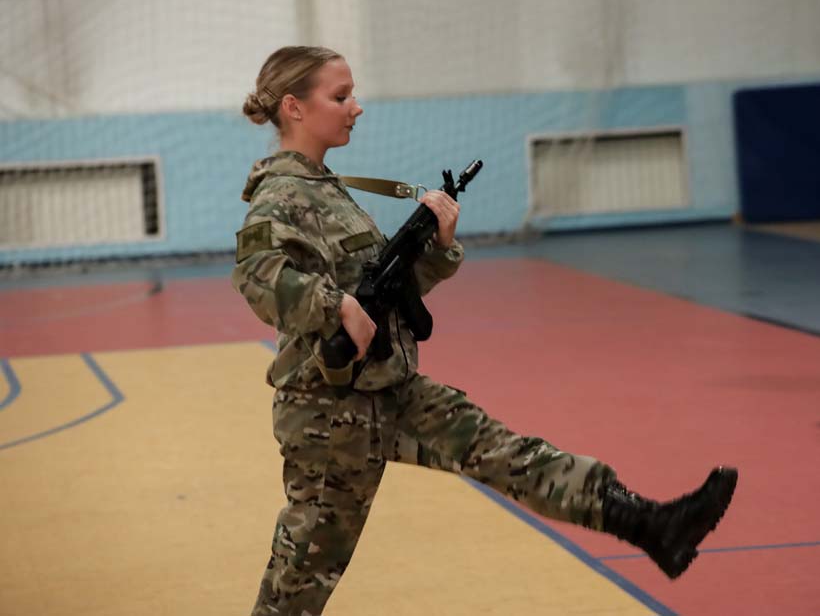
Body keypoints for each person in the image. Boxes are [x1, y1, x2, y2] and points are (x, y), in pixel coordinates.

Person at [234, 45, 738, 616]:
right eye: (341, 96)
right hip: (328, 415)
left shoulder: (326, 187)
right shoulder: (282, 195)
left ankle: (650, 524)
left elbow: (383, 294)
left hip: (388, 389)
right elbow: (257, 276)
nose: (356, 107)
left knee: (507, 454)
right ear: (295, 107)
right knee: (303, 573)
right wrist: (333, 306)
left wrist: (437, 247)